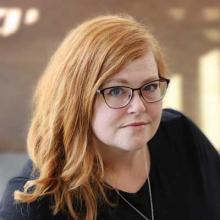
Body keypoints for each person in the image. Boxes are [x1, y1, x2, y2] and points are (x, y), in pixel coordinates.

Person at [0, 14, 219, 220]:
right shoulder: (32, 205)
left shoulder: (181, 135)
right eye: (116, 91)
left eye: (150, 86)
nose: (138, 106)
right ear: (76, 99)